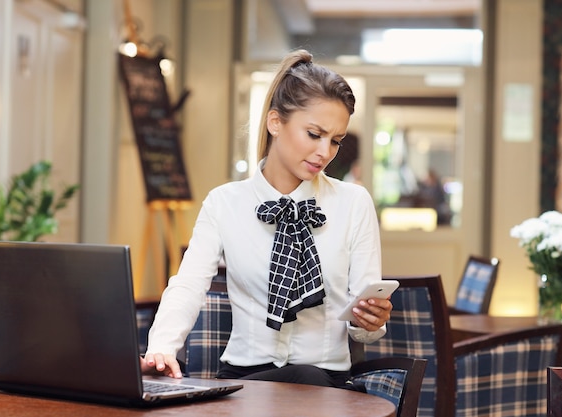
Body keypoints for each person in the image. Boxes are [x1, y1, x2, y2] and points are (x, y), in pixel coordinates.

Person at [141, 49, 392, 389]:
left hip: (324, 383)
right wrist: (161, 349)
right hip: (246, 380)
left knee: (307, 376)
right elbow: (187, 286)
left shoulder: (354, 203)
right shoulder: (224, 203)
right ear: (276, 122)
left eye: (336, 141)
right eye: (314, 134)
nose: (325, 152)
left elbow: (365, 326)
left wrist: (371, 322)